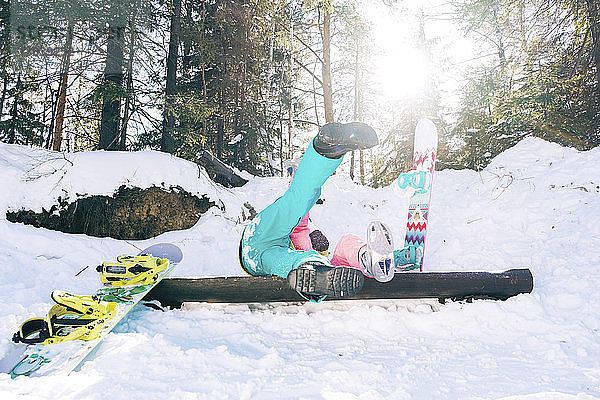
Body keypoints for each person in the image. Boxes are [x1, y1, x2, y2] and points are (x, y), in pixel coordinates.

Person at [239, 122, 394, 301]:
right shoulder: (309, 249)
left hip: (278, 254)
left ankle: (367, 257)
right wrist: (315, 254)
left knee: (343, 241)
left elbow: (301, 227)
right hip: (264, 250)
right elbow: (299, 221)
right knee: (297, 205)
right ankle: (326, 150)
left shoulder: (322, 263)